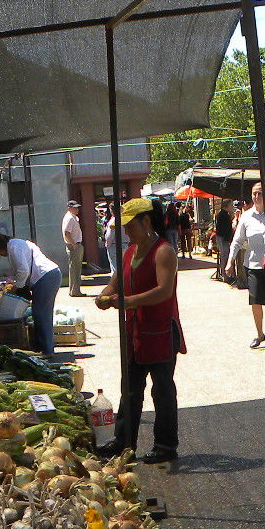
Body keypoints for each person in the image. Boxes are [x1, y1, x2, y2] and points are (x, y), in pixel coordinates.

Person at [96, 198, 184, 464]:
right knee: (130, 389)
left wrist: (126, 302)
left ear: (146, 221)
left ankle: (165, 445)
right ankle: (123, 442)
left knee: (163, 391)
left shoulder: (163, 251)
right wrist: (104, 295)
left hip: (159, 331)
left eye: (130, 225)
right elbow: (115, 283)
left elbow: (164, 290)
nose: (126, 231)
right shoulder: (129, 253)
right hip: (134, 332)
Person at [226, 183, 265, 348]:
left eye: (260, 193)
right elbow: (237, 241)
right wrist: (230, 261)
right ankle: (259, 334)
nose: (256, 197)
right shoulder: (246, 217)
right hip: (253, 265)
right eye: (254, 194)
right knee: (255, 301)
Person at [0, 231, 62, 358]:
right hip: (48, 276)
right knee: (40, 313)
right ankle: (40, 348)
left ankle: (47, 350)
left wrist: (17, 287)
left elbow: (23, 270)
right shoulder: (18, 244)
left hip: (46, 277)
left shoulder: (14, 247)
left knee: (41, 314)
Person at [62, 200, 87, 297]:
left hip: (75, 244)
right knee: (75, 269)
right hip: (74, 245)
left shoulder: (73, 218)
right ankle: (75, 291)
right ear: (69, 208)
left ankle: (75, 290)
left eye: (77, 207)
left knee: (76, 269)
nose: (77, 209)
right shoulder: (70, 218)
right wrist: (74, 244)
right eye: (75, 207)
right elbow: (67, 233)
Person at [212, 199, 235, 282]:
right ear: (228, 206)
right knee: (225, 256)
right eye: (231, 205)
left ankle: (227, 275)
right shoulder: (223, 215)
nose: (232, 207)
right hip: (223, 238)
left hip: (223, 238)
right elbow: (224, 228)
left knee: (225, 256)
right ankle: (226, 276)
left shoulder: (223, 214)